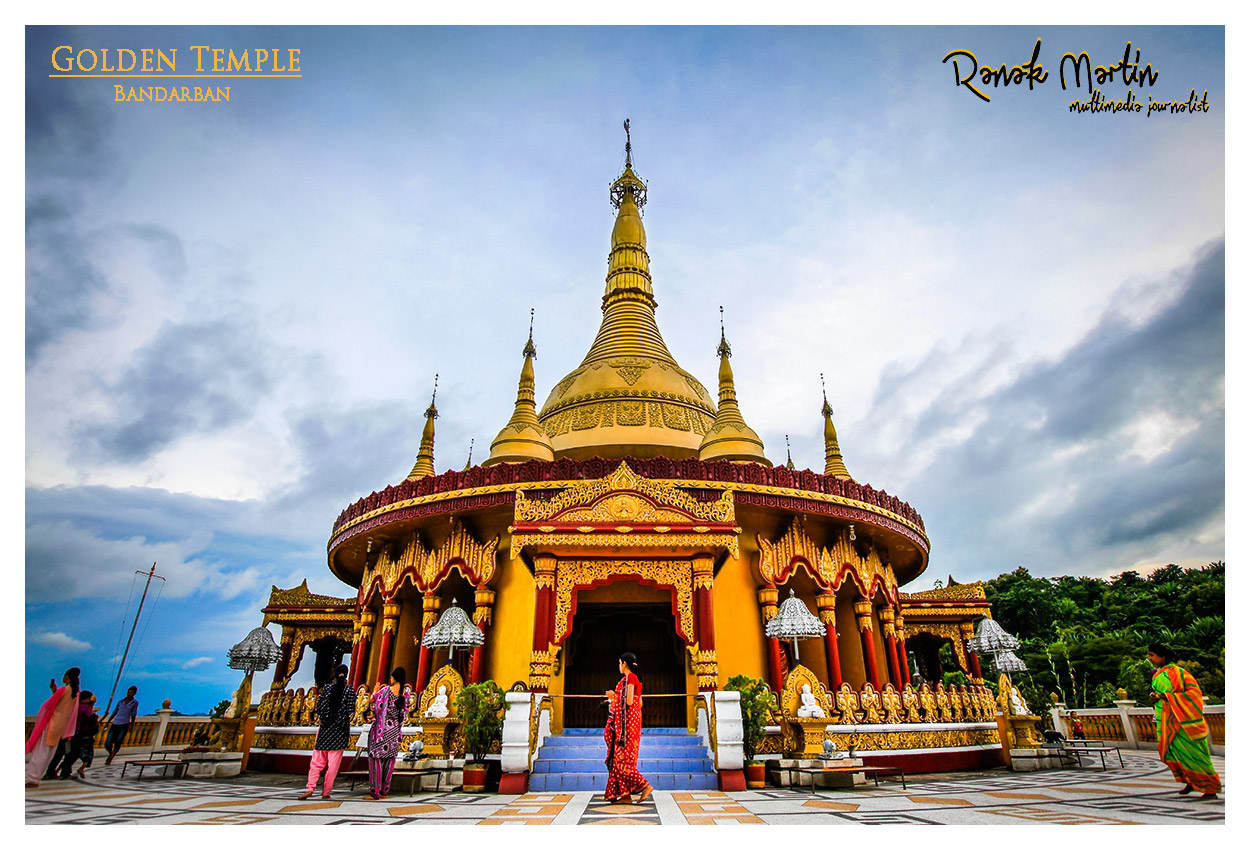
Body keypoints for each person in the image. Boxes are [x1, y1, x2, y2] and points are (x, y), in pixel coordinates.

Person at [1147, 644, 1221, 798]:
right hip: (1165, 719)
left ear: (1163, 657)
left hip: (1182, 721)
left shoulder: (1179, 673)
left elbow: (1195, 693)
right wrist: (1155, 697)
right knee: (1169, 753)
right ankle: (1190, 781)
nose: (1149, 658)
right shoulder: (1156, 675)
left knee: (1193, 753)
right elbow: (1160, 694)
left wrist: (1168, 697)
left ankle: (1209, 787)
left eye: (1152, 655)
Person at [603, 652, 652, 804]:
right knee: (620, 758)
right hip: (632, 722)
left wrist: (613, 696)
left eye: (620, 663)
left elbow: (629, 701)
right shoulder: (634, 679)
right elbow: (639, 703)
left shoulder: (630, 677)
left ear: (624, 663)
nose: (619, 666)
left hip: (627, 725)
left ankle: (645, 786)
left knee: (622, 761)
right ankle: (625, 795)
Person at [300, 665, 355, 800]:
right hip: (339, 731)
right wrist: (340, 720)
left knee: (316, 762)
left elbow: (319, 708)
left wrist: (327, 720)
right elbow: (350, 711)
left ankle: (310, 787)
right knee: (333, 765)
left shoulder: (326, 689)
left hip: (325, 729)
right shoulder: (349, 691)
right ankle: (326, 792)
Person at [26, 668, 81, 787]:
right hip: (60, 726)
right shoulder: (76, 692)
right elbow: (63, 704)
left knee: (40, 752)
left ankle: (33, 779)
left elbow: (48, 706)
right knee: (48, 753)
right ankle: (36, 777)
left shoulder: (64, 690)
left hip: (51, 724)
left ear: (67, 676)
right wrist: (55, 691)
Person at [366, 667, 413, 800]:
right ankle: (385, 789)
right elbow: (404, 712)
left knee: (376, 757)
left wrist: (375, 689)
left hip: (382, 730)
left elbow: (372, 701)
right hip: (395, 730)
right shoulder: (405, 694)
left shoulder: (386, 691)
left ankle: (375, 789)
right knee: (390, 759)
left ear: (394, 678)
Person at [60, 691, 100, 779]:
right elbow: (91, 718)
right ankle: (65, 773)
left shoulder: (75, 706)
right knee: (74, 753)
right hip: (80, 734)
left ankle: (64, 772)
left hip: (71, 731)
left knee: (70, 753)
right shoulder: (85, 708)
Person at [104, 686, 139, 765]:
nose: (129, 694)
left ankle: (110, 758)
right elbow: (115, 712)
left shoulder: (134, 703)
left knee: (118, 741)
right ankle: (111, 753)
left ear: (134, 693)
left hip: (124, 724)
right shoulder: (121, 702)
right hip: (115, 723)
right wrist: (108, 721)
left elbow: (133, 714)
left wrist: (131, 725)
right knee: (108, 743)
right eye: (129, 692)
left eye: (131, 692)